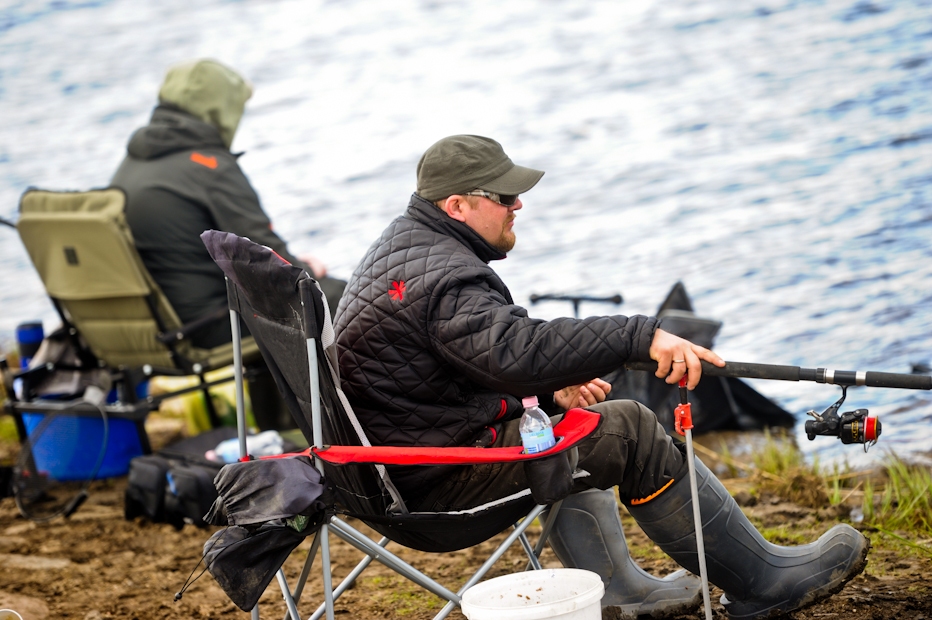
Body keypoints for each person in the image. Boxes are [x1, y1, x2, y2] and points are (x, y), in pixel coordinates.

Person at [334, 135, 870, 619]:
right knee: (628, 427)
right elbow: (514, 351)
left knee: (570, 418)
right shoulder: (447, 276)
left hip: (398, 470)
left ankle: (619, 591)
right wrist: (641, 336)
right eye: (502, 197)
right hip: (436, 487)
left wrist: (546, 390)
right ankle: (764, 582)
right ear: (456, 205)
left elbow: (451, 363)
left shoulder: (403, 249)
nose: (517, 205)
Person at [111, 58, 345, 430]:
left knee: (270, 296)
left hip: (152, 329)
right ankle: (354, 426)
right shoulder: (208, 167)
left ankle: (280, 427)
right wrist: (307, 268)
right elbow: (269, 256)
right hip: (208, 326)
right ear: (221, 109)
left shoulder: (129, 165)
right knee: (343, 300)